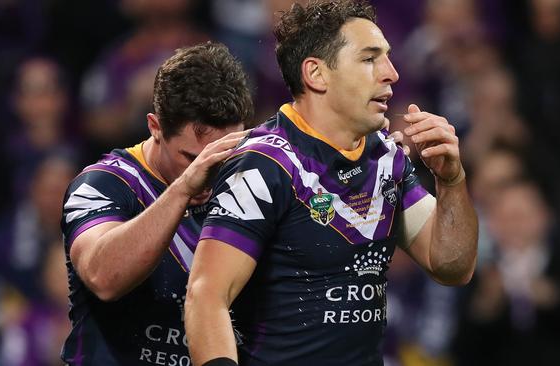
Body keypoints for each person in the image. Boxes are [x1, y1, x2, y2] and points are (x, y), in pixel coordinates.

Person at [185, 1, 478, 365]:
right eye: (370, 59)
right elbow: (206, 295)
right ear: (317, 74)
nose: (391, 73)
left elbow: (452, 265)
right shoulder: (265, 165)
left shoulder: (386, 158)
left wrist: (451, 180)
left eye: (386, 57)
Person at [60, 42, 253, 365]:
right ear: (155, 127)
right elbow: (103, 277)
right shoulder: (103, 185)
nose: (209, 174)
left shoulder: (252, 183)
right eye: (192, 158)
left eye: (223, 156)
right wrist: (182, 188)